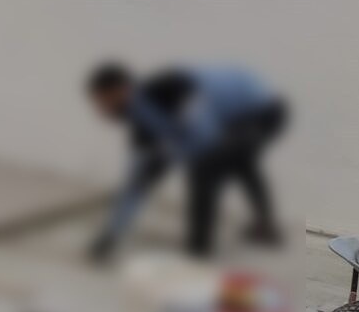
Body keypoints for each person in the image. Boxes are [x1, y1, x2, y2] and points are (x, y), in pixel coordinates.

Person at [86, 62, 286, 259]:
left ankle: (199, 250)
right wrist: (111, 236)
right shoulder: (140, 124)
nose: (101, 111)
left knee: (208, 167)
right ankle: (266, 226)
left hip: (263, 112)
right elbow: (135, 183)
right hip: (231, 120)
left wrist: (166, 158)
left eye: (103, 102)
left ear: (119, 90)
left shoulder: (170, 89)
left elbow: (205, 137)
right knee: (237, 160)